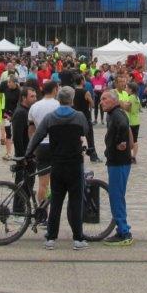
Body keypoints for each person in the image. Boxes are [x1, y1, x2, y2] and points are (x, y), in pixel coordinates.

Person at [25, 86, 90, 251]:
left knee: (56, 202)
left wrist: (28, 154)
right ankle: (78, 239)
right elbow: (86, 130)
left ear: (58, 99)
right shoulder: (79, 116)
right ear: (72, 100)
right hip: (75, 164)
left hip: (57, 164)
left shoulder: (50, 117)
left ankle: (51, 238)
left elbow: (37, 137)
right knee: (75, 202)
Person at [101, 89, 134, 246]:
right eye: (101, 99)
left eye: (105, 99)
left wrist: (122, 142)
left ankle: (124, 232)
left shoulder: (117, 115)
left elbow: (123, 126)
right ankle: (122, 228)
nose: (101, 102)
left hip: (119, 162)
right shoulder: (114, 114)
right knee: (117, 195)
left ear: (114, 100)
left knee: (116, 196)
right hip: (117, 161)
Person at [28, 81, 60, 208]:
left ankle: (42, 211)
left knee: (42, 183)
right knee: (57, 182)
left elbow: (31, 129)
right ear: (55, 89)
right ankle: (53, 211)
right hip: (55, 145)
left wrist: (33, 145)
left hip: (40, 145)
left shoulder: (34, 106)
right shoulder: (58, 105)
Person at [119, 81, 142, 164]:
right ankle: (134, 156)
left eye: (127, 88)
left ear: (131, 90)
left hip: (131, 121)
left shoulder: (131, 97)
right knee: (135, 140)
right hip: (137, 121)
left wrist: (121, 103)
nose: (125, 89)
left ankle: (128, 156)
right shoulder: (137, 97)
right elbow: (139, 108)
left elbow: (127, 108)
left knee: (129, 140)